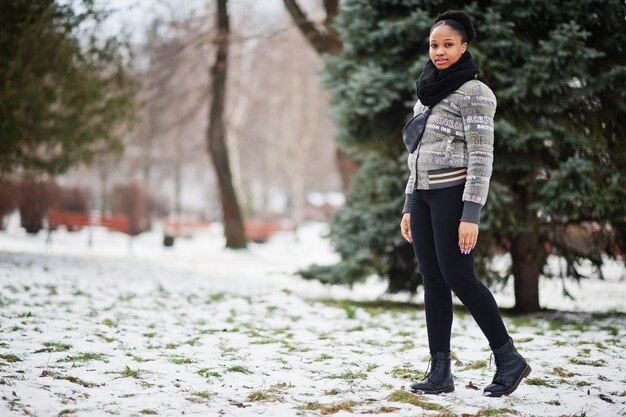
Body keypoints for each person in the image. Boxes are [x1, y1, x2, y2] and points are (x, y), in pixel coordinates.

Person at [399, 10, 531, 397]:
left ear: (464, 47)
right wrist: (409, 203)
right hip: (422, 196)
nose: (439, 52)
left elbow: (481, 157)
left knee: (459, 277)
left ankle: (509, 359)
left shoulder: (475, 94)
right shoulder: (425, 94)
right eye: (434, 45)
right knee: (433, 279)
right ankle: (440, 371)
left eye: (447, 44)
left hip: (453, 196)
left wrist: (470, 212)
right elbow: (416, 154)